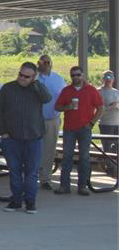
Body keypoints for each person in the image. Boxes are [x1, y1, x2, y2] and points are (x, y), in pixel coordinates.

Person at [0, 62, 51, 214]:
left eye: (27, 76)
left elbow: (47, 99)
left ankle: (30, 202)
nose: (22, 78)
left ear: (33, 77)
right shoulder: (7, 88)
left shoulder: (37, 89)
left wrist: (37, 83)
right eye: (20, 74)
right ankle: (16, 201)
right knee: (14, 171)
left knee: (32, 172)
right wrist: (3, 132)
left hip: (34, 137)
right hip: (11, 138)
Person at [54, 66, 104, 196]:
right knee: (67, 157)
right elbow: (58, 107)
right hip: (69, 128)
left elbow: (100, 107)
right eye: (73, 75)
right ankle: (64, 186)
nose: (75, 77)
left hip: (84, 128)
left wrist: (92, 123)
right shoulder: (66, 91)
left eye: (78, 74)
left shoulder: (91, 90)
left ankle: (82, 186)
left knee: (84, 157)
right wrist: (68, 106)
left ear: (83, 75)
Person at [36, 55, 66, 190]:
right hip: (35, 120)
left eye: (48, 62)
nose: (46, 64)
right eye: (43, 62)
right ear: (38, 64)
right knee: (34, 148)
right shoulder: (33, 78)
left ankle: (45, 179)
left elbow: (65, 97)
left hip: (53, 119)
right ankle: (32, 175)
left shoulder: (58, 79)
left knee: (49, 150)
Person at [99, 71, 118, 158]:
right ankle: (109, 168)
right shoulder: (99, 92)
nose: (108, 80)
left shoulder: (116, 92)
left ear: (113, 79)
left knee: (116, 148)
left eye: (110, 78)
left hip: (117, 124)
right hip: (106, 124)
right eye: (106, 78)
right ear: (103, 79)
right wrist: (111, 107)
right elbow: (99, 109)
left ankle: (115, 167)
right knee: (107, 148)